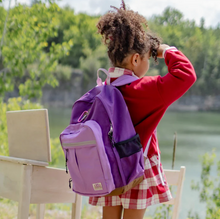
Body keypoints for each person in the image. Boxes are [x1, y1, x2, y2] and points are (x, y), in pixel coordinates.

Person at [89, 1, 197, 219]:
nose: (150, 62)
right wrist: (166, 50)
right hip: (136, 168)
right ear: (136, 59)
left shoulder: (102, 90)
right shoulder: (145, 89)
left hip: (108, 167)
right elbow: (186, 75)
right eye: (149, 58)